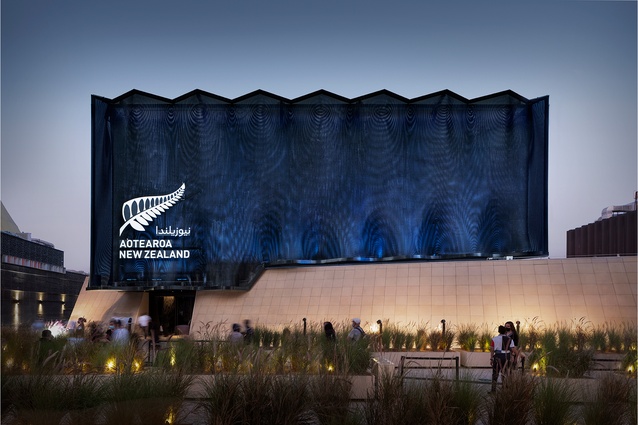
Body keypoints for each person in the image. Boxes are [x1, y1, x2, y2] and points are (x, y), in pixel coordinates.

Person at [490, 325, 518, 392]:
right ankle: (505, 388)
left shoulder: (494, 339)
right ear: (505, 331)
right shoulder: (510, 339)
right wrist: (516, 354)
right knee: (506, 373)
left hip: (497, 356)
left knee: (495, 373)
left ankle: (493, 390)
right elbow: (512, 348)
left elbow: (492, 349)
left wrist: (491, 358)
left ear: (498, 331)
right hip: (506, 356)